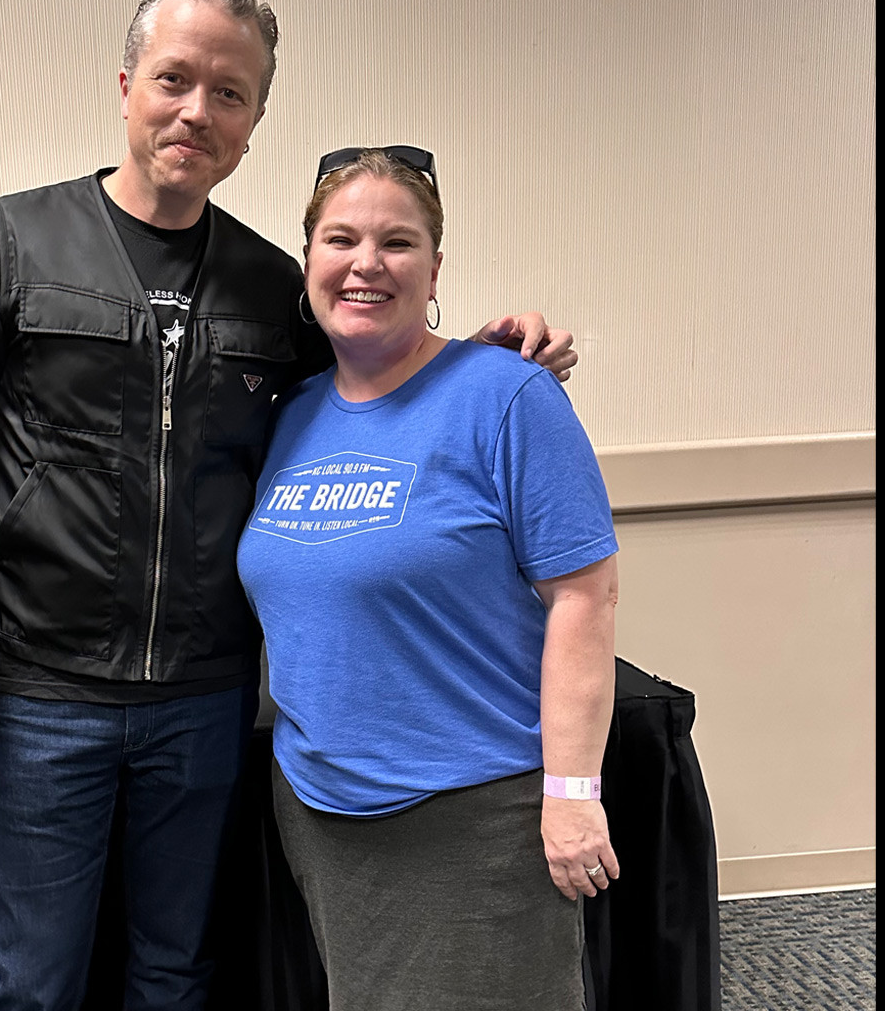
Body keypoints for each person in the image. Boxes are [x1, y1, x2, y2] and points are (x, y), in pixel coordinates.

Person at [0, 0, 578, 1011]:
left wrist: (481, 357)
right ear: (126, 87)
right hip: (48, 691)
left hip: (207, 698)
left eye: (230, 93)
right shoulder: (14, 242)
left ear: (253, 122)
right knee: (35, 981)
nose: (196, 111)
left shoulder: (268, 282)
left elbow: (374, 371)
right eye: (175, 80)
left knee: (176, 971)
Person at [236, 147, 621, 1011]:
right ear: (308, 263)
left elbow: (584, 598)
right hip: (322, 809)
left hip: (475, 810)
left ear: (435, 267)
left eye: (397, 242)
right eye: (341, 238)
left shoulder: (509, 396)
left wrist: (571, 795)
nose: (366, 263)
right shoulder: (289, 415)